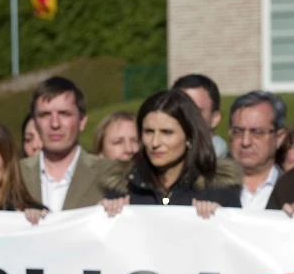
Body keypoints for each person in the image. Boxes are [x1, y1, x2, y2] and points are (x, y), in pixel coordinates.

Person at [100, 90, 242, 219]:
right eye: (149, 132)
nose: (155, 143)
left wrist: (222, 219)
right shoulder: (122, 188)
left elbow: (236, 242)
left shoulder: (219, 190)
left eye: (166, 132)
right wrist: (103, 215)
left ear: (189, 136)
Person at [20, 77, 110, 212]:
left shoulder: (108, 175)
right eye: (45, 114)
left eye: (64, 114)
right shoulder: (15, 175)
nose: (55, 124)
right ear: (35, 122)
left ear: (82, 121)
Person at [227, 91, 287, 210]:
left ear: (279, 138)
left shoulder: (289, 190)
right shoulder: (207, 188)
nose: (245, 142)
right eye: (238, 132)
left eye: (257, 132)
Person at [172, 74, 228, 158]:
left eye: (195, 111)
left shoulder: (224, 167)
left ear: (215, 119)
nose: (186, 117)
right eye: (181, 110)